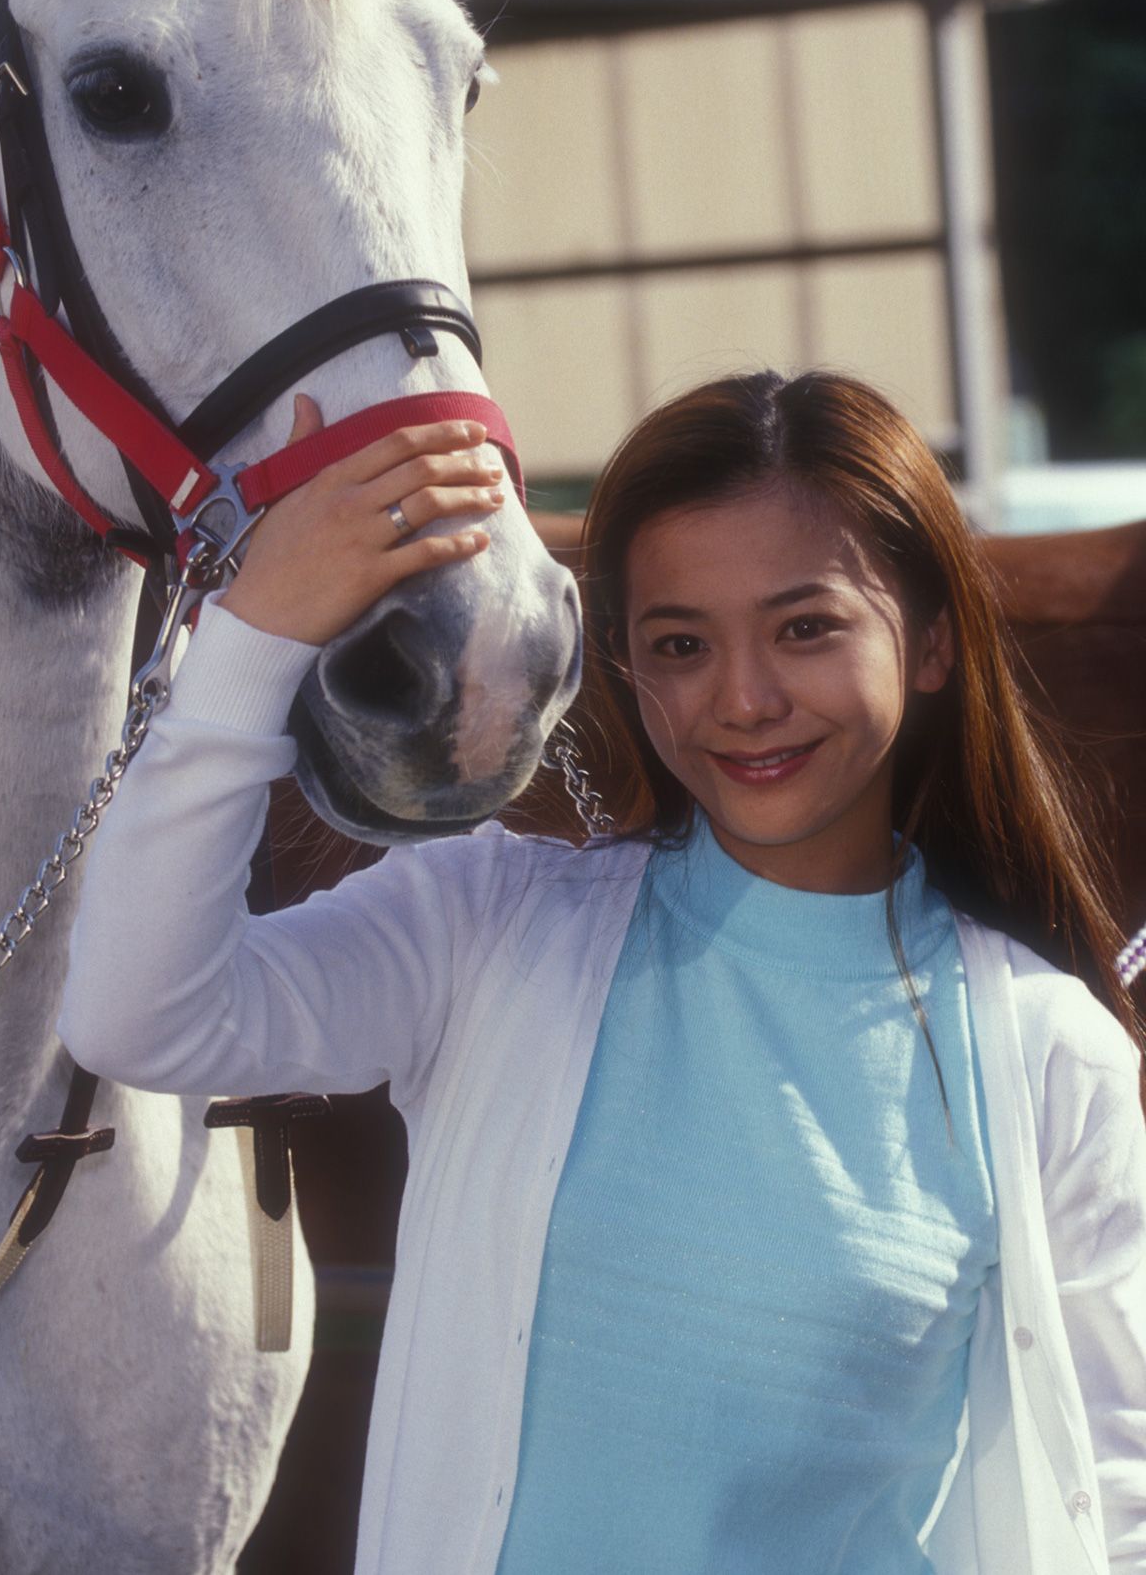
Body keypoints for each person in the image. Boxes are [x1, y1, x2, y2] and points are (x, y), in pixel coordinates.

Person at [58, 369, 1146, 1575]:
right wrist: (254, 639)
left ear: (931, 641)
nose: (743, 699)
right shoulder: (486, 925)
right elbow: (137, 1017)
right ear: (624, 664)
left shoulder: (1049, 1061)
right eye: (680, 645)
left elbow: (1115, 1502)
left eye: (804, 628)